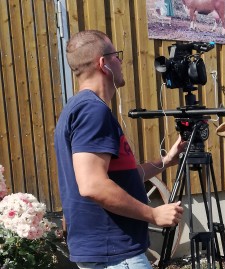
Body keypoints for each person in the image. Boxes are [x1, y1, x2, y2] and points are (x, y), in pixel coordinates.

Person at [54, 30, 185, 269]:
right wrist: (153, 215)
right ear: (103, 64)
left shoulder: (78, 108)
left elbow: (123, 177)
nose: (121, 62)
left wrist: (166, 161)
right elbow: (93, 185)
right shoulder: (92, 111)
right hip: (115, 255)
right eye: (116, 56)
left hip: (112, 252)